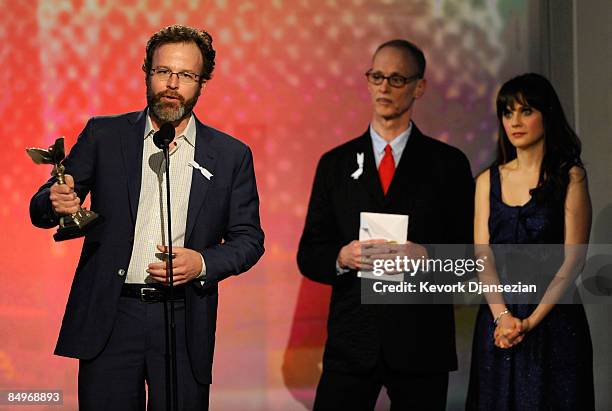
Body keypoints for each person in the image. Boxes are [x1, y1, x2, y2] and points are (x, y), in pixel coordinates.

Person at [29, 25, 264, 410]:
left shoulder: (230, 155)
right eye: (162, 72)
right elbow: (43, 205)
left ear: (202, 83)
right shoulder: (104, 135)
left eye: (186, 75)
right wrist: (55, 201)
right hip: (111, 317)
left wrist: (202, 262)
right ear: (146, 73)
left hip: (184, 318)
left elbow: (249, 239)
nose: (172, 84)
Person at [297, 39, 474, 410]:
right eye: (377, 77)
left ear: (418, 86)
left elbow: (470, 256)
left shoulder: (448, 165)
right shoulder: (335, 164)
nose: (383, 87)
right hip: (352, 340)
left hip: (420, 342)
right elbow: (309, 253)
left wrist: (425, 255)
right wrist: (342, 257)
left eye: (396, 79)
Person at [466, 73, 594, 410]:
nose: (515, 122)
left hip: (554, 321)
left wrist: (529, 322)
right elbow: (483, 257)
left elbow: (574, 260)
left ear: (546, 114)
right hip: (498, 321)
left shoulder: (570, 176)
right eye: (508, 113)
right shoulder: (485, 181)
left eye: (525, 111)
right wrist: (502, 318)